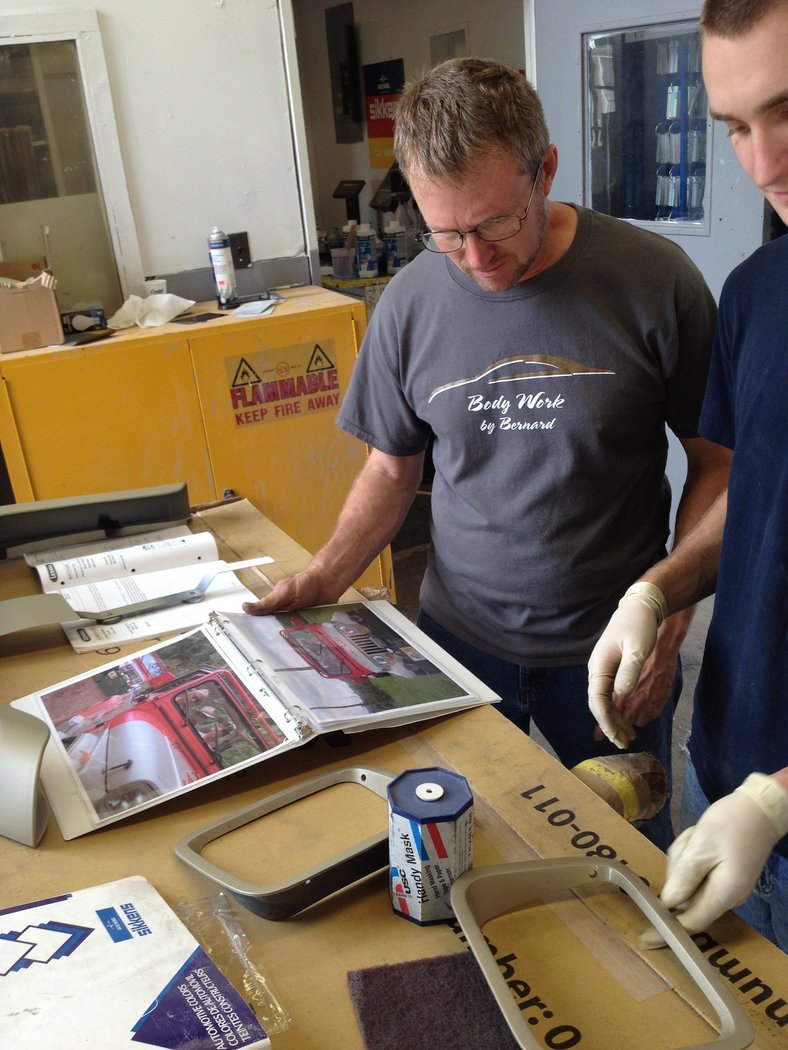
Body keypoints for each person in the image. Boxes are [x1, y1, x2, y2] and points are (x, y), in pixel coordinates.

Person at [245, 57, 731, 849]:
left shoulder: (656, 283)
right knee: (455, 851)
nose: (474, 257)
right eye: (445, 232)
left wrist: (669, 614)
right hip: (456, 643)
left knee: (630, 855)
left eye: (495, 223)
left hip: (612, 645)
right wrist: (325, 575)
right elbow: (392, 469)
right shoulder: (407, 306)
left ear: (546, 170)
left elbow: (717, 462)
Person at [588, 0, 788, 950]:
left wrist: (780, 801)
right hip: (723, 770)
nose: (764, 165)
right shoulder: (760, 292)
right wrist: (656, 592)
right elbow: (755, 502)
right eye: (737, 128)